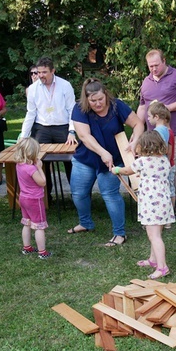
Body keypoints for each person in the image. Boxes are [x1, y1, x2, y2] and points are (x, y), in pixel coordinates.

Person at [68, 78, 144, 247]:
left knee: (110, 195)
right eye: (93, 100)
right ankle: (85, 223)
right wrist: (103, 152)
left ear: (106, 95)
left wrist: (135, 140)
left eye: (100, 99)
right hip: (85, 159)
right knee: (78, 194)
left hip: (114, 161)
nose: (97, 103)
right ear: (87, 99)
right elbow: (84, 136)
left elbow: (138, 123)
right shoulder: (79, 109)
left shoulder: (117, 106)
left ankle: (119, 234)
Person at [137, 49, 176, 220]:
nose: (153, 69)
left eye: (156, 65)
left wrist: (165, 109)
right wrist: (137, 128)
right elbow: (142, 106)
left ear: (164, 61)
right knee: (158, 170)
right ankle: (162, 204)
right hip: (152, 137)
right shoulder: (146, 81)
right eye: (150, 66)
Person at [113, 131, 174, 279]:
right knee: (157, 233)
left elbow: (128, 170)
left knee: (154, 236)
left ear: (144, 146)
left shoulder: (143, 161)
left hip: (151, 204)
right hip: (163, 203)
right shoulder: (164, 160)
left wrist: (117, 170)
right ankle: (153, 260)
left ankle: (162, 267)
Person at [20, 57, 78, 196]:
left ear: (53, 71)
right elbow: (31, 113)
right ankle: (46, 197)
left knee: (71, 162)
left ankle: (77, 195)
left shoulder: (65, 85)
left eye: (44, 72)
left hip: (63, 128)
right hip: (42, 129)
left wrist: (72, 131)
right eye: (39, 72)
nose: (40, 75)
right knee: (39, 161)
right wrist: (23, 136)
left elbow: (72, 110)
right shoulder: (33, 89)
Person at [15, 137, 51, 259]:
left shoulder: (19, 165)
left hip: (23, 198)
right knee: (39, 226)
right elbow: (43, 182)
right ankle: (42, 252)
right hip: (34, 200)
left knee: (27, 223)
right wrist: (39, 167)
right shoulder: (31, 169)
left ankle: (27, 248)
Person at [147, 101, 175, 229]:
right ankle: (168, 219)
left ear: (156, 117)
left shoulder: (158, 131)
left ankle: (165, 218)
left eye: (149, 116)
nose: (148, 118)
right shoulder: (166, 130)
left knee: (163, 191)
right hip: (164, 163)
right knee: (166, 190)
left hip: (158, 165)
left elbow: (157, 148)